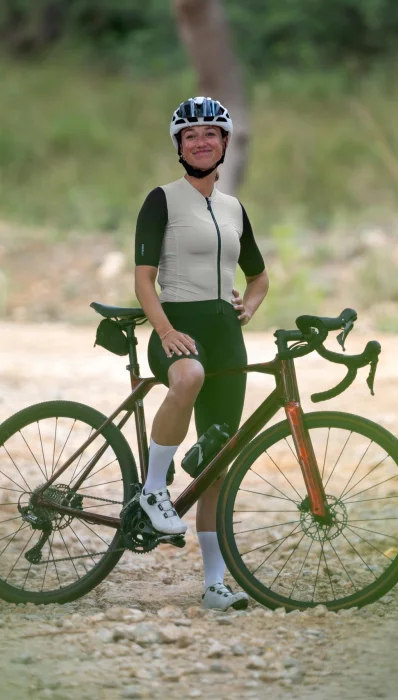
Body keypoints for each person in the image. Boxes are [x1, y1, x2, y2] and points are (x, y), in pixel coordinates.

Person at [132, 96, 270, 611]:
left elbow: (259, 277)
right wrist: (165, 329)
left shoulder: (233, 208)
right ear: (179, 146)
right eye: (190, 135)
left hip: (225, 335)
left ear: (225, 142)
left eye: (211, 133)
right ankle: (153, 489)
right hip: (177, 326)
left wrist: (248, 307)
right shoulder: (162, 200)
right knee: (186, 377)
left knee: (217, 462)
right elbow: (144, 280)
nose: (201, 141)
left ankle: (215, 585)